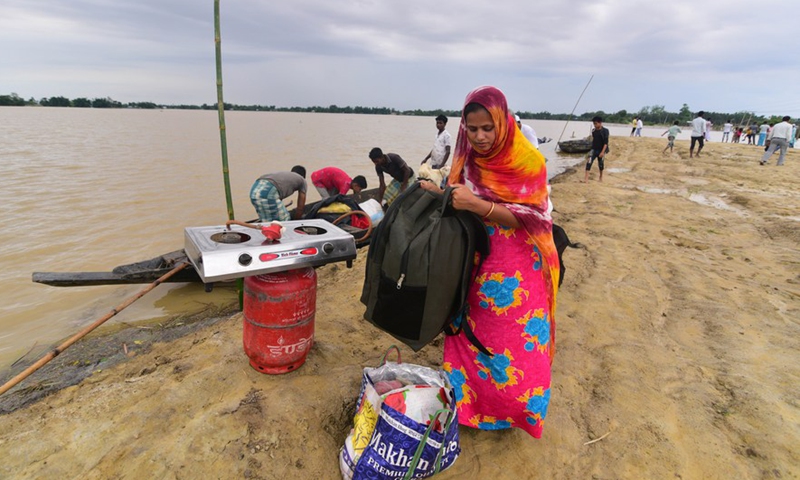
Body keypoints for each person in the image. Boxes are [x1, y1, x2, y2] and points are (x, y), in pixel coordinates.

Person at [418, 85, 558, 439]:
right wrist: (441, 194)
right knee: (468, 334)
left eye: (487, 128)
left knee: (514, 342)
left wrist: (479, 206)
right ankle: (470, 409)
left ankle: (514, 413)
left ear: (503, 122)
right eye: (472, 128)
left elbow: (537, 219)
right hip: (473, 260)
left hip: (517, 267)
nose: (479, 137)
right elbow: (459, 196)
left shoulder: (529, 162)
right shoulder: (466, 156)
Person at [584, 116, 609, 182]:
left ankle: (600, 177)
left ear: (600, 123)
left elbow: (605, 143)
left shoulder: (605, 131)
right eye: (594, 124)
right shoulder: (594, 131)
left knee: (600, 164)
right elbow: (594, 140)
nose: (595, 125)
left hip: (601, 149)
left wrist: (602, 152)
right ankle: (586, 179)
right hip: (594, 149)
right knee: (589, 162)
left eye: (596, 123)